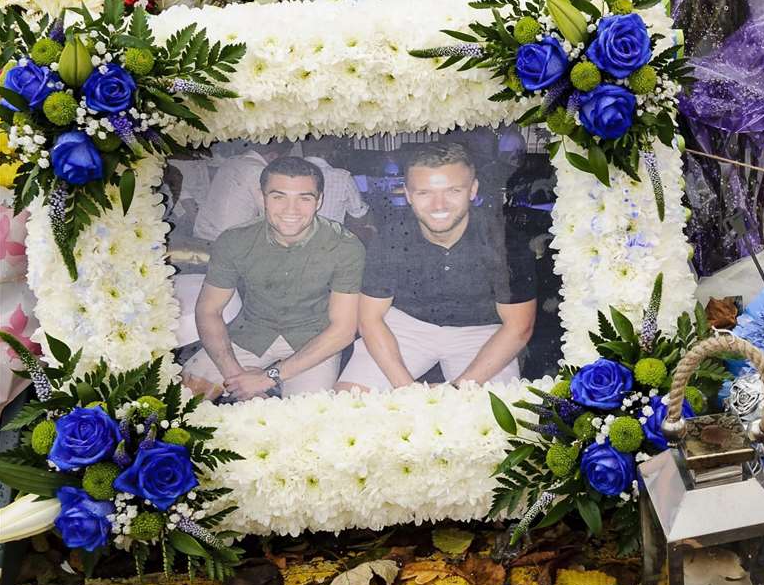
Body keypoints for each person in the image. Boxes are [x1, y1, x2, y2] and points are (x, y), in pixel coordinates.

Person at [336, 142, 538, 391]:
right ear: (408, 195)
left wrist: (455, 390)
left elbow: (518, 328)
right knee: (348, 401)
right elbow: (370, 319)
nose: (439, 205)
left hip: (480, 330)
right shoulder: (391, 237)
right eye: (424, 193)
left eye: (453, 191)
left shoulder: (506, 243)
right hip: (407, 325)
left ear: (473, 190)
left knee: (492, 419)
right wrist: (407, 390)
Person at [182, 157, 365, 399]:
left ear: (319, 201)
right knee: (180, 397)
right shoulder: (234, 240)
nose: (291, 210)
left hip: (313, 341)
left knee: (309, 423)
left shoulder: (345, 246)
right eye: (279, 197)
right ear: (262, 197)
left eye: (304, 198)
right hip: (251, 333)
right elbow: (208, 310)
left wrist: (267, 377)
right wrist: (235, 377)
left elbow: (343, 330)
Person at [193, 142, 369, 241]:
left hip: (201, 234)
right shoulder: (258, 171)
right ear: (273, 157)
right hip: (226, 243)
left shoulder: (232, 161)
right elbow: (274, 218)